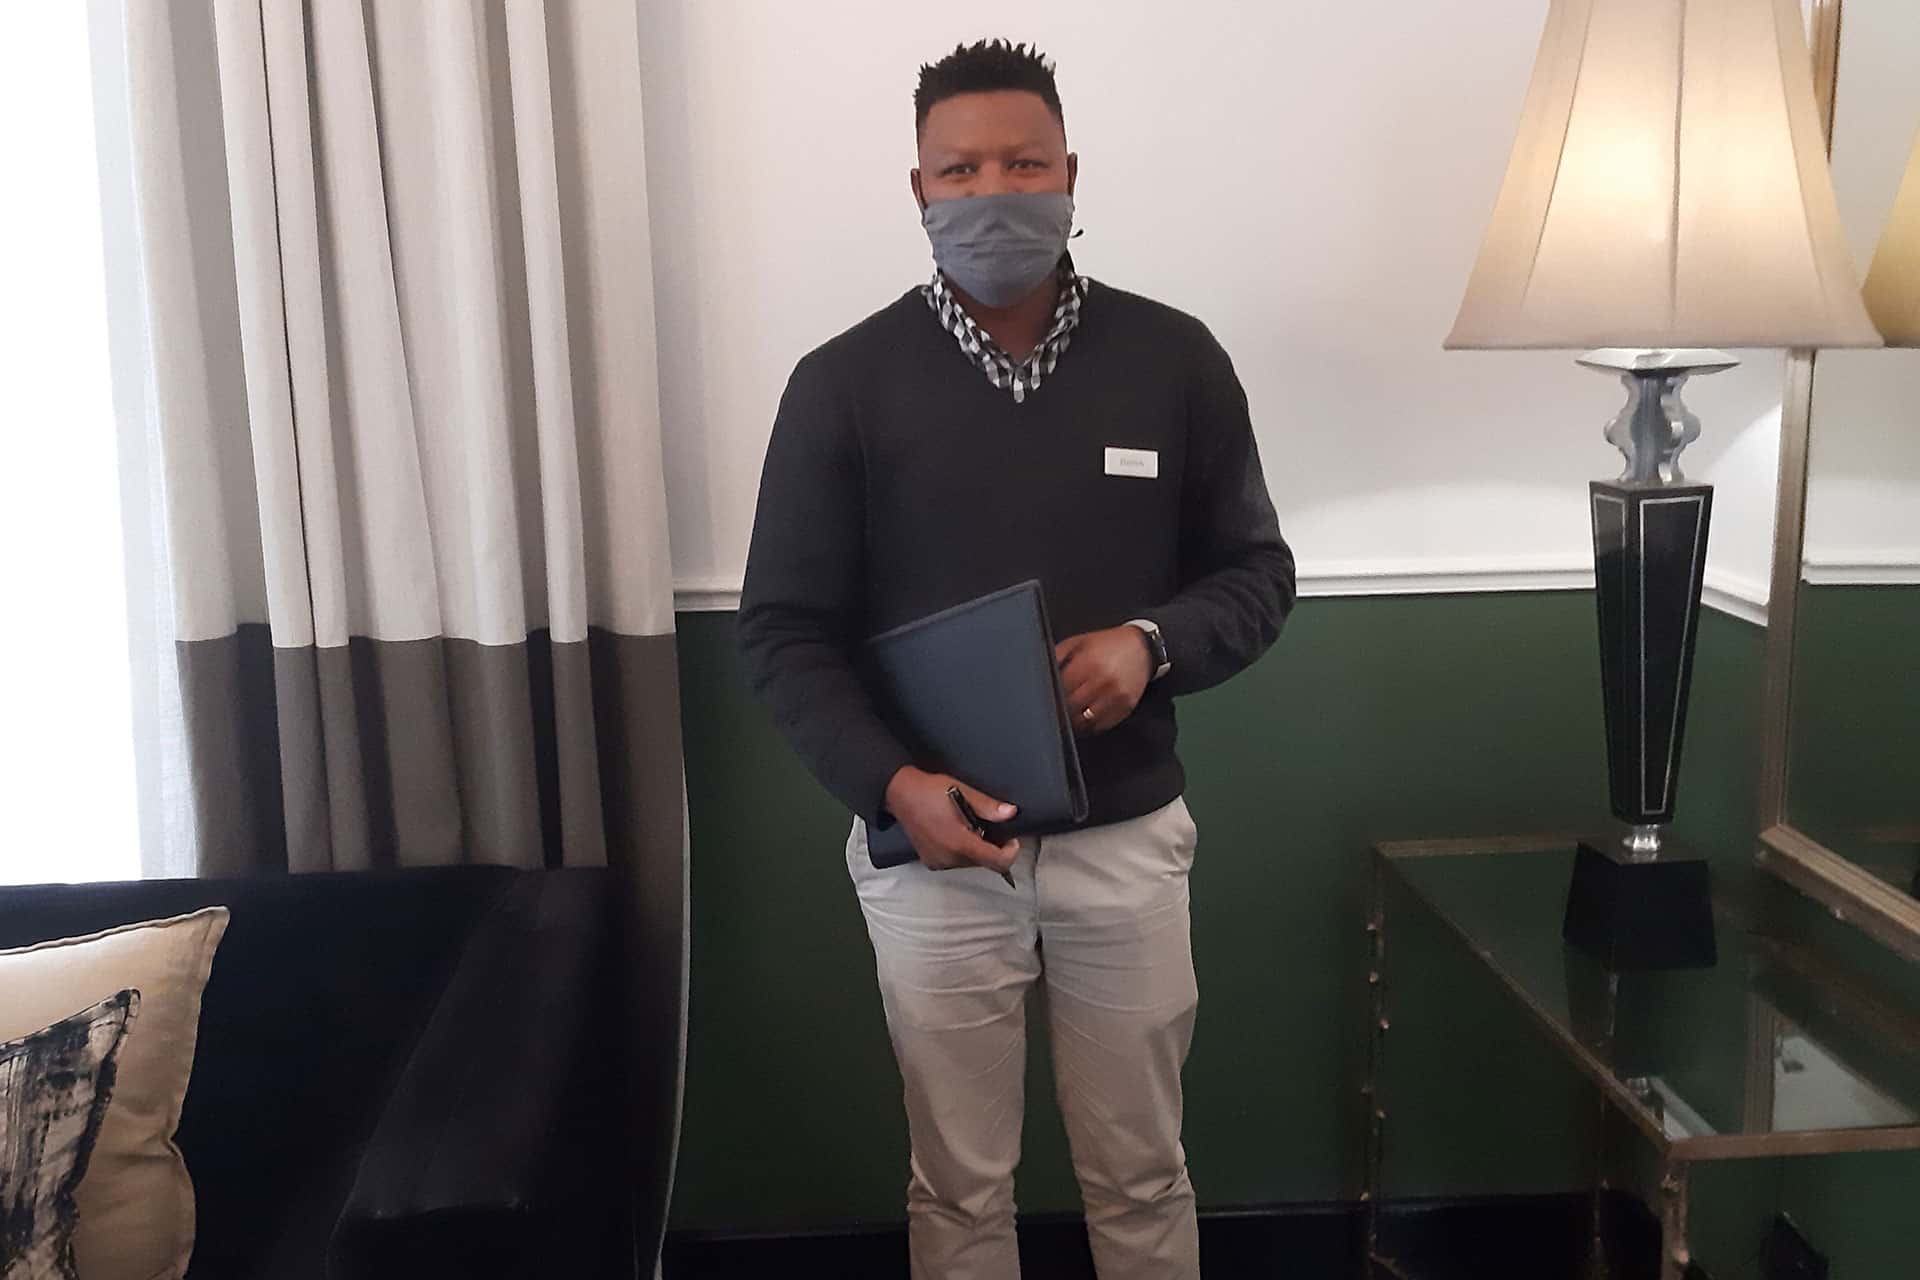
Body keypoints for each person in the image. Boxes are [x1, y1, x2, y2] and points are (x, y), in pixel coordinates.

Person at [737, 38, 1295, 1280]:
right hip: (934, 856)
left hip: (1127, 844)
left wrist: (1153, 646)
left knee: (1145, 1169)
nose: (995, 191)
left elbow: (1260, 575)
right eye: (963, 168)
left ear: (1071, 173)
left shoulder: (1176, 359)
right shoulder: (840, 386)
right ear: (921, 189)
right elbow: (781, 629)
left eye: (1024, 163)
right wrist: (894, 787)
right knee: (959, 1184)